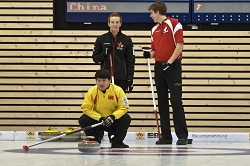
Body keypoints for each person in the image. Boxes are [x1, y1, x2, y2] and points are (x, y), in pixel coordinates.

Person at [143, 1, 189, 145]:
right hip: (159, 67)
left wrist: (169, 62)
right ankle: (166, 137)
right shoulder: (153, 30)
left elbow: (180, 45)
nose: (150, 16)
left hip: (173, 66)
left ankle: (182, 136)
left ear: (157, 12)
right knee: (162, 102)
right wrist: (148, 54)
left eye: (151, 13)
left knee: (175, 101)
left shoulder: (175, 24)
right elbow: (154, 51)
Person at [78, 69, 131, 148]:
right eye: (99, 80)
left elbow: (124, 107)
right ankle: (94, 139)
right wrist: (99, 118)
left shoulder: (118, 91)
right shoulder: (92, 92)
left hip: (113, 121)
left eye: (104, 80)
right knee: (83, 119)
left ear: (109, 81)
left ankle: (117, 141)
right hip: (98, 122)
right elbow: (86, 108)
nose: (101, 83)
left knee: (126, 118)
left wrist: (113, 116)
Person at [92, 12, 135, 93]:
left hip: (121, 77)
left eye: (117, 22)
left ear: (120, 24)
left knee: (120, 103)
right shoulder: (101, 39)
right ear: (108, 23)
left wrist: (130, 79)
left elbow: (130, 61)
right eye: (112, 22)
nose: (114, 24)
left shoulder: (126, 40)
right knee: (107, 103)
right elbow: (95, 59)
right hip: (105, 78)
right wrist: (104, 53)